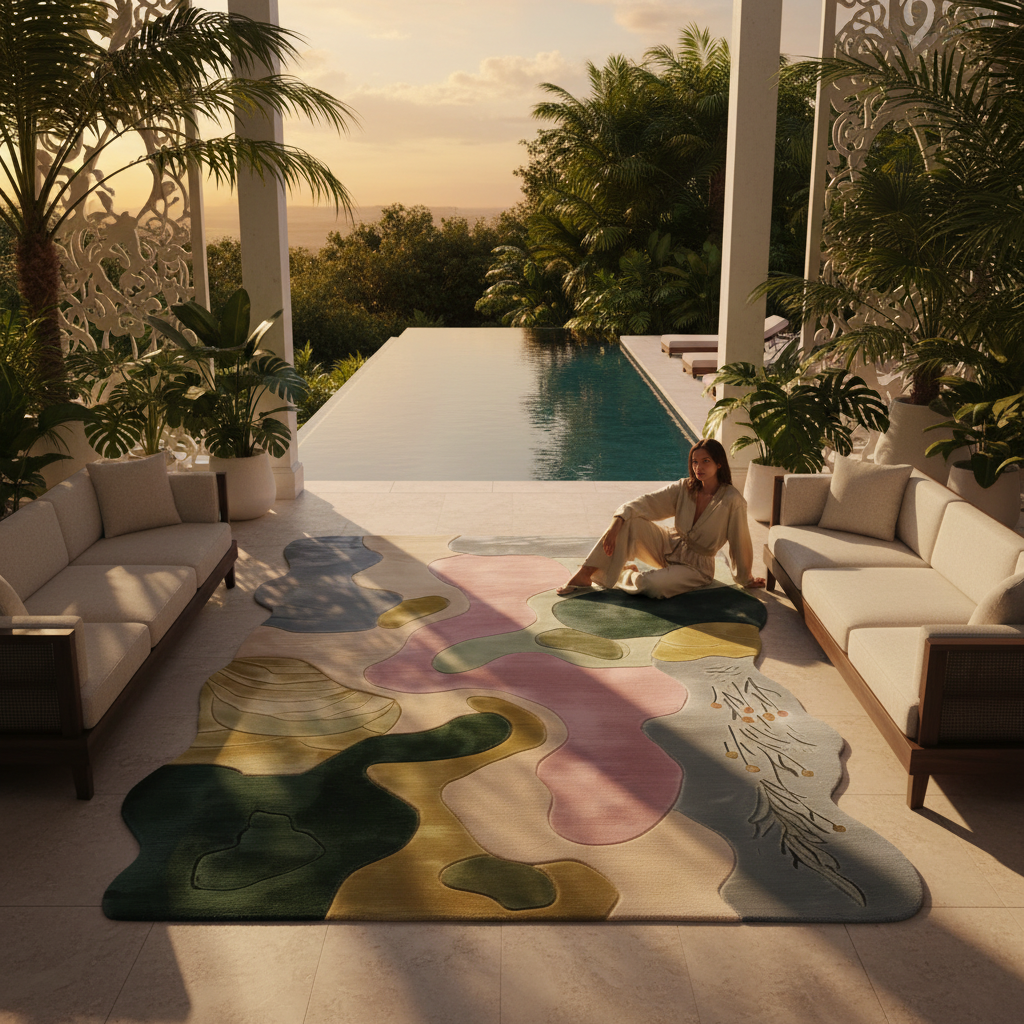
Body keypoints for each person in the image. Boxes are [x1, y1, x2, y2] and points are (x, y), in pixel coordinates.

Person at [557, 438, 767, 597]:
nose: (698, 467)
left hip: (695, 568)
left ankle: (623, 574)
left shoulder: (732, 500)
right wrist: (616, 523)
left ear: (719, 464)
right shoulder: (684, 488)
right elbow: (646, 503)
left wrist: (745, 579)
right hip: (667, 545)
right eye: (695, 462)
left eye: (705, 461)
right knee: (629, 520)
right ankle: (584, 575)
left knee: (651, 586)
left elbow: (740, 542)